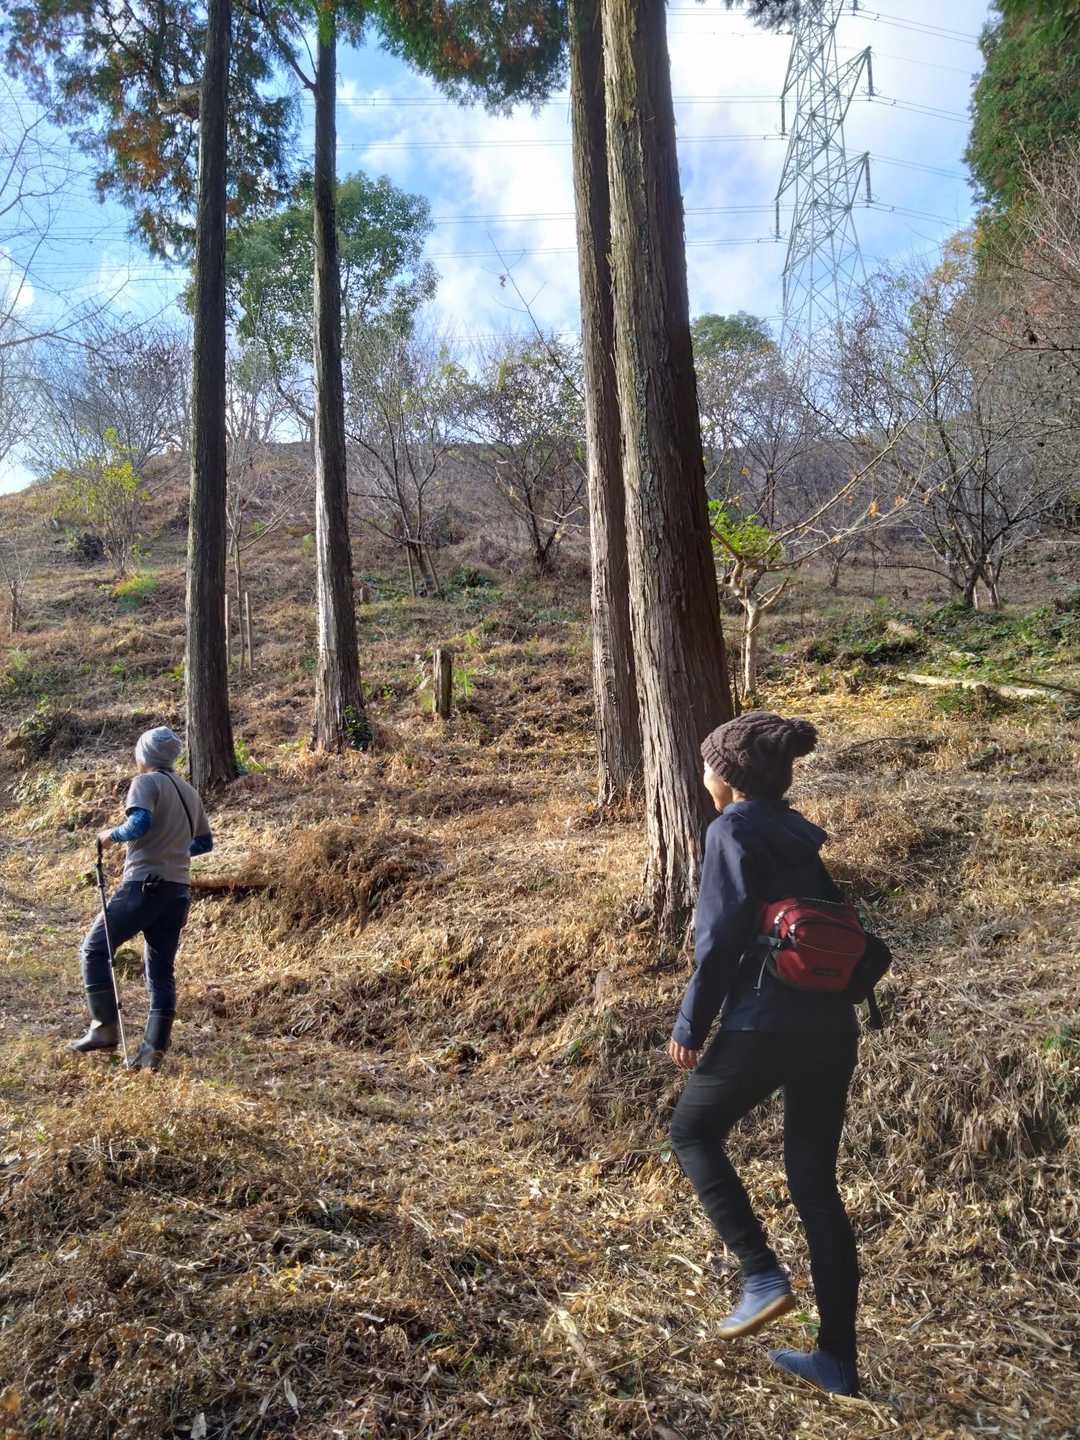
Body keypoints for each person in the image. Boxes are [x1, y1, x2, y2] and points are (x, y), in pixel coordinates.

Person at [667, 712, 862, 1397]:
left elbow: (718, 939)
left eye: (708, 763)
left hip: (765, 1022)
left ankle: (760, 1274)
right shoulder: (796, 832)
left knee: (691, 1131)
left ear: (728, 777)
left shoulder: (732, 830)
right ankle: (837, 1360)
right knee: (815, 1186)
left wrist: (691, 1025)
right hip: (831, 1027)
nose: (703, 773)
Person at [69, 726, 213, 1072]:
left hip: (143, 887)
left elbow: (139, 825)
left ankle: (104, 1029)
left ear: (144, 755)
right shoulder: (189, 792)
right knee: (160, 973)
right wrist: (173, 851)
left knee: (94, 949)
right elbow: (205, 843)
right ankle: (152, 1054)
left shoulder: (145, 783)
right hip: (178, 892)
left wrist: (108, 835)